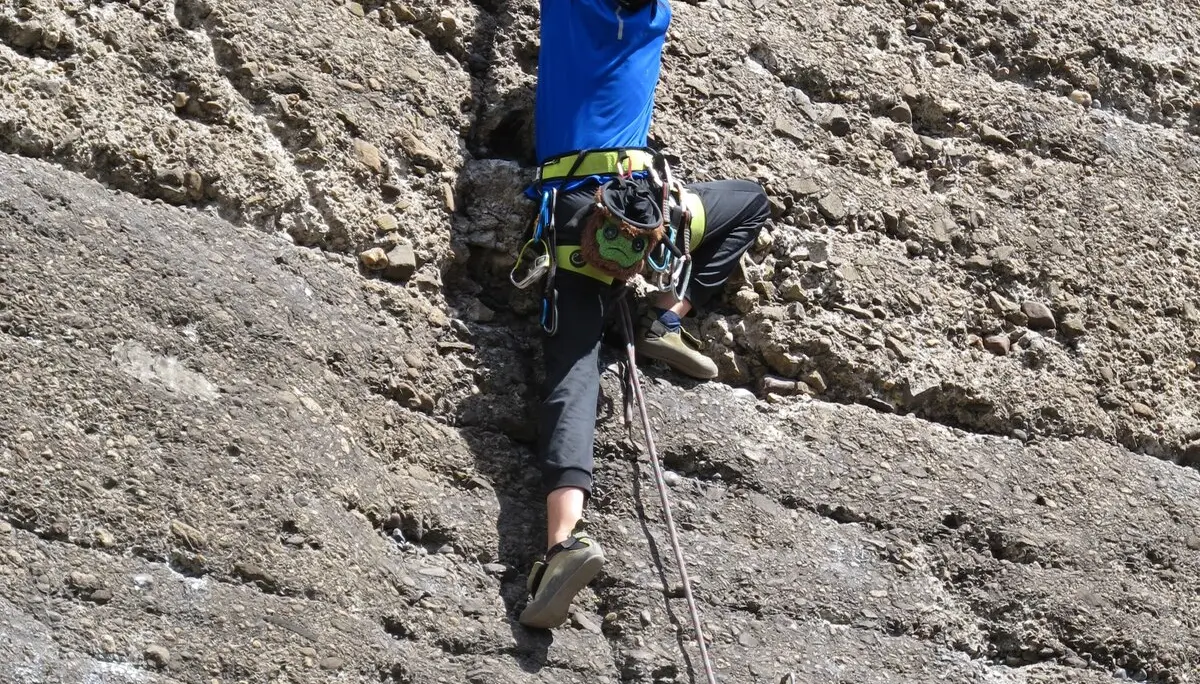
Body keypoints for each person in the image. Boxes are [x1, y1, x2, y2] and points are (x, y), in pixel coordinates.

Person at [516, 0, 769, 629]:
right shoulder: (656, 18)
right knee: (747, 201)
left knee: (572, 382)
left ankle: (561, 545)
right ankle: (668, 313)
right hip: (655, 215)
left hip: (582, 222)